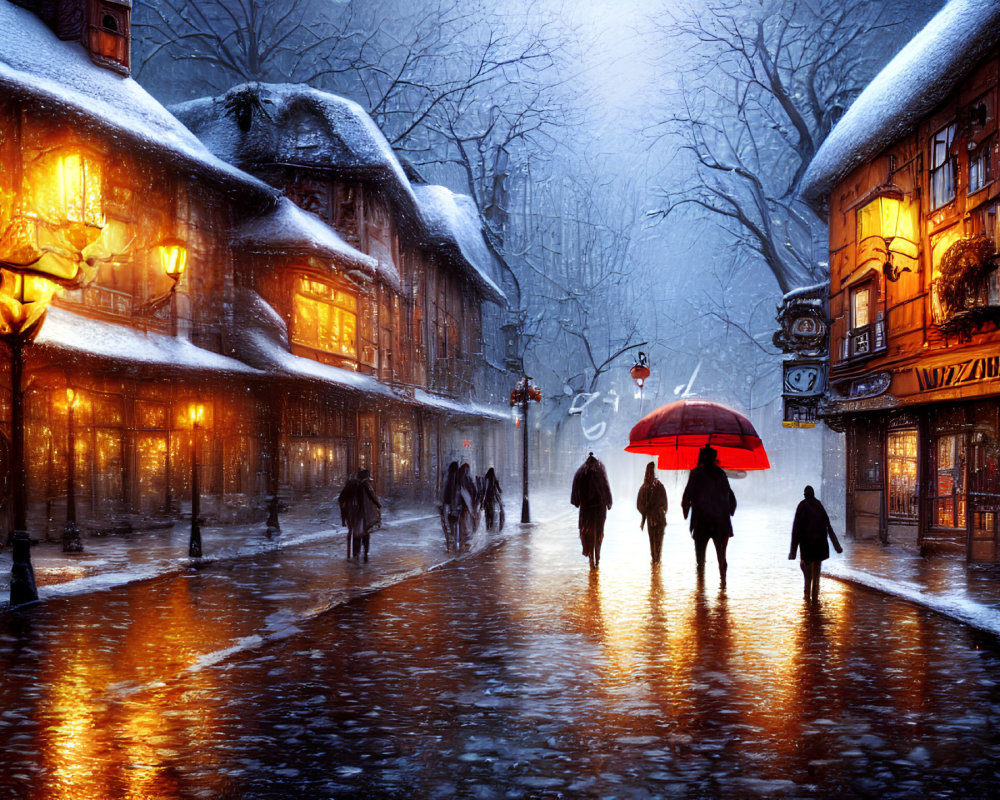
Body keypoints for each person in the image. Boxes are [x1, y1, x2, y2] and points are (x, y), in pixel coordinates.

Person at [681, 445, 736, 581]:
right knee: (722, 556)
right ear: (715, 458)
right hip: (721, 523)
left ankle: (701, 589)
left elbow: (686, 498)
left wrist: (686, 512)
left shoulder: (696, 473)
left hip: (701, 522)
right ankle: (723, 585)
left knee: (700, 560)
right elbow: (731, 498)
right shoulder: (720, 474)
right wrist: (729, 512)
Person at [789, 484, 842, 600]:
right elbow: (829, 527)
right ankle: (815, 598)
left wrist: (793, 552)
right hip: (819, 547)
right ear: (813, 494)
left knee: (807, 573)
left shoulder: (801, 506)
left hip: (807, 547)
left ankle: (807, 596)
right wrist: (837, 546)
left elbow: (795, 530)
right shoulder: (819, 506)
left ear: (804, 495)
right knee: (817, 574)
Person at [571, 452, 613, 570]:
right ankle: (597, 555)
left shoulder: (581, 471)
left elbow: (576, 488)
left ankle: (590, 556)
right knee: (599, 532)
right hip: (600, 507)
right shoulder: (600, 470)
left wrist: (576, 501)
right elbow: (606, 486)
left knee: (587, 532)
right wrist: (609, 502)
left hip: (587, 508)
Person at [338, 468, 382, 561]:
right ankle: (363, 554)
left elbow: (341, 500)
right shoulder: (364, 485)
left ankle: (356, 555)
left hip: (351, 515)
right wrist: (378, 505)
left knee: (356, 534)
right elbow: (372, 496)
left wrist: (344, 519)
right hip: (360, 514)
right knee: (363, 533)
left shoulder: (350, 485)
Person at [636, 461, 668, 563]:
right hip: (660, 518)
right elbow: (665, 505)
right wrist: (661, 512)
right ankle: (657, 566)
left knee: (653, 543)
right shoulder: (660, 485)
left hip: (650, 518)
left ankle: (654, 565)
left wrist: (645, 513)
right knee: (659, 544)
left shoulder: (643, 487)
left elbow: (639, 505)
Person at [455, 462, 479, 546]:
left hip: (463, 503)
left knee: (464, 520)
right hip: (465, 503)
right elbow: (471, 491)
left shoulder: (460, 479)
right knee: (465, 520)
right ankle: (465, 537)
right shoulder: (466, 479)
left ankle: (464, 537)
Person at [440, 461, 460, 545]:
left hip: (446, 502)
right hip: (452, 503)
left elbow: (443, 490)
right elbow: (455, 491)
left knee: (447, 522)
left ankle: (449, 539)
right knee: (455, 522)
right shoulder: (455, 477)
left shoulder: (447, 476)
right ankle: (455, 540)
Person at [481, 466, 504, 531]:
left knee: (487, 514)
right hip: (492, 499)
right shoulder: (494, 479)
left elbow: (483, 490)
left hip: (486, 500)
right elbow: (499, 490)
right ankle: (491, 527)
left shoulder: (485, 479)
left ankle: (487, 527)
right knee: (492, 513)